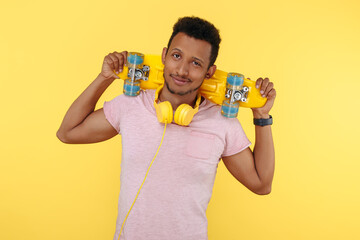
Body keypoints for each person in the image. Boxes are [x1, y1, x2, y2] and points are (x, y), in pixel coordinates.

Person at [57, 16, 276, 240]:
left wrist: (261, 115)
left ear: (209, 72)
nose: (181, 70)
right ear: (164, 56)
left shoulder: (221, 121)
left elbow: (261, 184)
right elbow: (68, 132)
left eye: (196, 63)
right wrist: (105, 77)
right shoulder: (131, 104)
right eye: (176, 56)